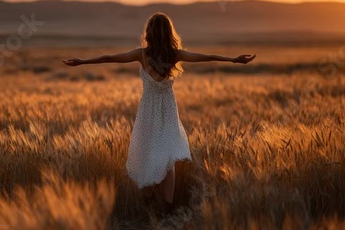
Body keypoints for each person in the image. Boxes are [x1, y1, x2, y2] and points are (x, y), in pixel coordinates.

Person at [62, 12, 256, 215]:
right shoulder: (175, 55)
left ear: (149, 32)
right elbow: (207, 57)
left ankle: (148, 203)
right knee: (169, 159)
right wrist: (233, 60)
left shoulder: (142, 54)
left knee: (146, 153)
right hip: (168, 112)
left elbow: (109, 58)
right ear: (169, 32)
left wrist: (82, 61)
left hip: (147, 112)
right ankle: (168, 207)